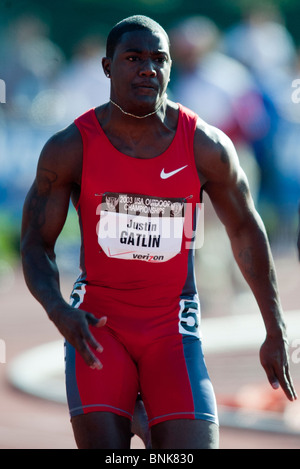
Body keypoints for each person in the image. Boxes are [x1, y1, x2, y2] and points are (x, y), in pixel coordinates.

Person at [21, 15, 297, 450]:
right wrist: (59, 310)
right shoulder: (69, 147)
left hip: (172, 327)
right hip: (98, 325)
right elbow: (36, 244)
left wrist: (274, 327)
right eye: (134, 58)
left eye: (159, 59)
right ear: (108, 67)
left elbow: (246, 229)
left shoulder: (206, 146)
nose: (149, 68)